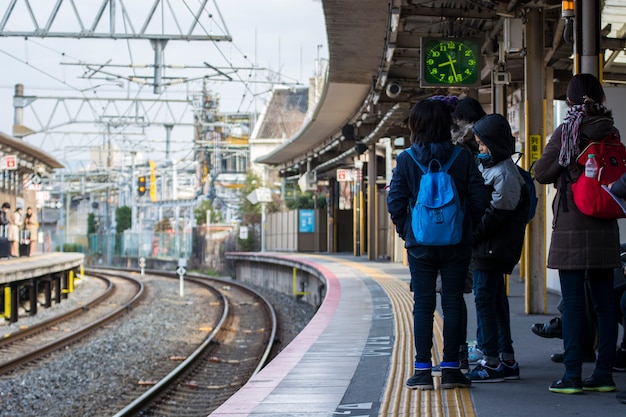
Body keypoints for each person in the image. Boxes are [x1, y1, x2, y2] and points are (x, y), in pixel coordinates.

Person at [387, 99, 489, 390]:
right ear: (446, 124)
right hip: (456, 243)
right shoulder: (462, 157)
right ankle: (451, 370)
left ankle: (421, 371)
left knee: (423, 305)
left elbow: (395, 201)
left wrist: (408, 232)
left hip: (420, 245)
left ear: (416, 126)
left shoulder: (406, 159)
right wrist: (466, 227)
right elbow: (480, 198)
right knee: (454, 302)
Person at [534, 73, 619, 394]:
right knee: (605, 304)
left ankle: (572, 376)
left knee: (572, 303)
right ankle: (604, 374)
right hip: (604, 222)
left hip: (572, 223)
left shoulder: (567, 130)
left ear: (569, 101)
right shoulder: (609, 130)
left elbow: (541, 172)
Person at [463, 113, 528, 383]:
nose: (479, 149)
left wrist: (471, 235)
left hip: (492, 248)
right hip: (490, 247)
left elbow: (496, 214)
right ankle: (506, 358)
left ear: (495, 143)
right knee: (495, 300)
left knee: (484, 301)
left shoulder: (504, 174)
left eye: (482, 144)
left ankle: (490, 361)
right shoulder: (495, 169)